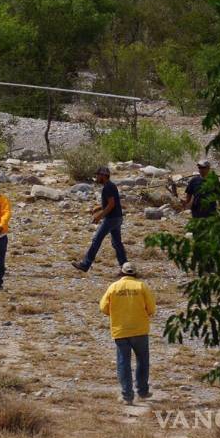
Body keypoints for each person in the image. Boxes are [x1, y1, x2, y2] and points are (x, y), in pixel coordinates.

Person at [99, 262, 156, 405]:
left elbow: (103, 307)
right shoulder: (141, 286)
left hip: (121, 330)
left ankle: (127, 396)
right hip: (140, 330)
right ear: (135, 273)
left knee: (123, 362)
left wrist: (116, 313)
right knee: (142, 361)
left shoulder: (114, 287)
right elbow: (151, 309)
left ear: (122, 272)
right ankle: (142, 391)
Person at [73, 165, 127, 272]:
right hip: (117, 218)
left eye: (97, 175)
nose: (96, 178)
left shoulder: (107, 187)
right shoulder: (111, 185)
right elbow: (111, 203)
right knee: (117, 243)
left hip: (111, 219)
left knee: (96, 240)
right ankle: (125, 267)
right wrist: (98, 208)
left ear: (103, 176)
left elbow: (111, 205)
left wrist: (99, 216)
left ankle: (85, 264)